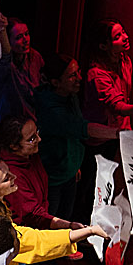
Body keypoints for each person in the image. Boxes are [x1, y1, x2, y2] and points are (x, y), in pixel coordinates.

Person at [0, 114, 93, 265]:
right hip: (19, 233)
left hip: (32, 221)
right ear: (13, 146)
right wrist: (70, 227)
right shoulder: (11, 174)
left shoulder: (29, 155)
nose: (39, 139)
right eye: (31, 138)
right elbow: (32, 213)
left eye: (37, 133)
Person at [34, 53, 100, 223]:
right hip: (53, 178)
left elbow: (74, 135)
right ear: (56, 82)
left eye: (78, 72)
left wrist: (74, 166)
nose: (79, 78)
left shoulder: (71, 96)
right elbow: (80, 127)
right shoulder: (50, 107)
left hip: (69, 173)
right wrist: (119, 133)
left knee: (66, 216)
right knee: (53, 222)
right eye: (72, 75)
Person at [0, 12, 45, 128]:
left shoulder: (35, 57)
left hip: (31, 125)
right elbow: (5, 56)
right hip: (8, 127)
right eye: (19, 37)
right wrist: (1, 31)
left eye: (26, 34)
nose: (25, 40)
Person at [83, 19, 133, 138]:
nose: (125, 37)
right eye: (117, 37)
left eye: (123, 32)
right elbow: (116, 106)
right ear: (103, 46)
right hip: (102, 136)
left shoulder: (125, 61)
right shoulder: (97, 74)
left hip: (121, 130)